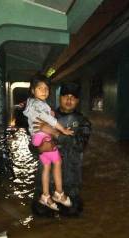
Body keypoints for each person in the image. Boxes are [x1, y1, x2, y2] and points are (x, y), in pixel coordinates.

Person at [33, 82, 91, 216]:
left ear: (77, 100)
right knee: (41, 214)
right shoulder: (45, 115)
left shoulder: (83, 122)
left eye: (73, 97)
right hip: (47, 182)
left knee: (73, 213)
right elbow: (32, 144)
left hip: (71, 181)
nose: (69, 100)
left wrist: (55, 134)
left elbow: (80, 145)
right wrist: (40, 148)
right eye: (66, 96)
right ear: (60, 97)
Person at [23, 74, 73, 211]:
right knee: (57, 162)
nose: (44, 91)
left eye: (46, 88)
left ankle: (46, 196)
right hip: (43, 139)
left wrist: (53, 130)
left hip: (41, 138)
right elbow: (46, 121)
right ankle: (58, 193)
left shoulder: (39, 105)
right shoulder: (39, 105)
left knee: (47, 167)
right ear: (33, 91)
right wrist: (61, 130)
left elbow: (46, 121)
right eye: (40, 88)